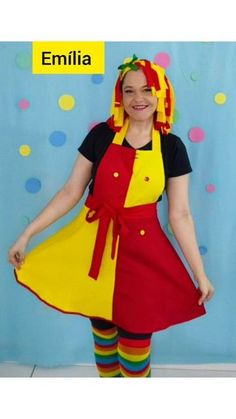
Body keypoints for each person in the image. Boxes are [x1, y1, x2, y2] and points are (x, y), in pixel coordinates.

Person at [8, 55, 215, 378]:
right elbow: (70, 192)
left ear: (161, 93)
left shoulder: (172, 147)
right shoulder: (101, 136)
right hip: (96, 247)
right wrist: (27, 235)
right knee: (103, 333)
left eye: (147, 90)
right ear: (120, 97)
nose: (138, 99)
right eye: (129, 91)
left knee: (135, 340)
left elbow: (181, 214)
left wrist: (199, 274)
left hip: (144, 253)